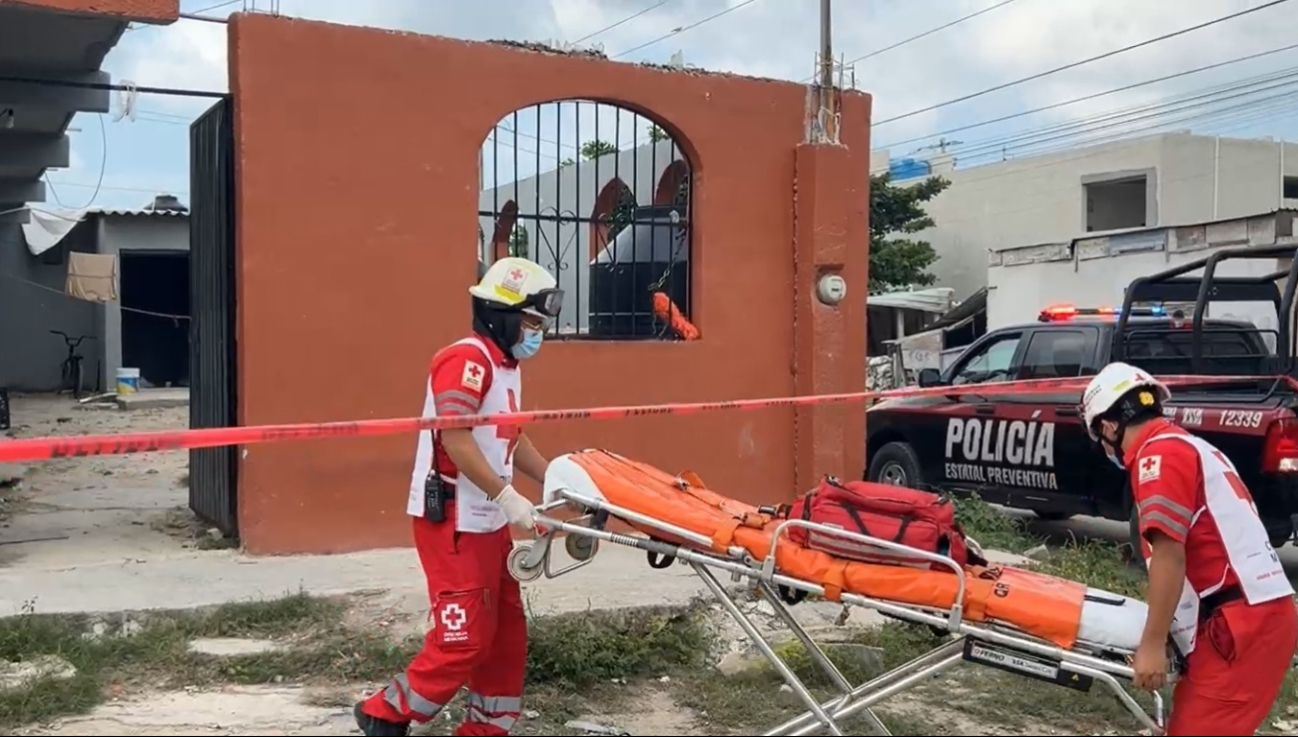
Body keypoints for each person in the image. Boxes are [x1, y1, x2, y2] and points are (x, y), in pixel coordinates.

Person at [354, 256, 564, 737]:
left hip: (488, 519)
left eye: (541, 324)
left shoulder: (505, 365)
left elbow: (511, 436)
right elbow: (457, 438)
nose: (538, 333)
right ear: (503, 314)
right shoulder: (466, 359)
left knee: (506, 633)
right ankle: (385, 712)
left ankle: (486, 728)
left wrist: (552, 478)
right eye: (532, 322)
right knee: (464, 638)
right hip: (452, 518)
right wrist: (510, 496)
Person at [1079, 361, 1297, 736]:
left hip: (1238, 626)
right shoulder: (1195, 448)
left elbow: (1169, 553)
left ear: (1109, 426)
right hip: (1247, 619)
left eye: (1100, 439)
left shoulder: (1158, 457)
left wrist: (1150, 645)